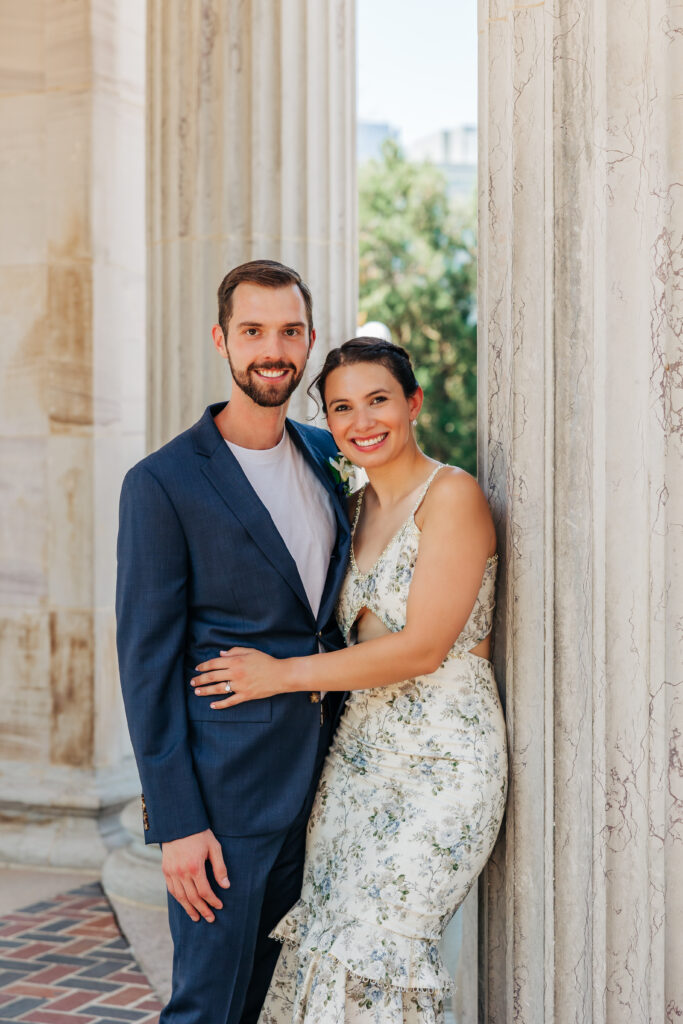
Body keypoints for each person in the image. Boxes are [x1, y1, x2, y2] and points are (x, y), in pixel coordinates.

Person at [191, 337, 509, 1024]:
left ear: (412, 402)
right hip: (355, 761)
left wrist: (278, 676)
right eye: (341, 407)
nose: (362, 421)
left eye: (378, 400)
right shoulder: (351, 507)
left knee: (384, 949)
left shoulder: (451, 496)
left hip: (442, 764)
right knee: (328, 942)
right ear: (327, 423)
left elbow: (421, 648)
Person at [115, 260, 352, 1024]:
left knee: (269, 1003)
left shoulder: (327, 455)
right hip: (225, 797)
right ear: (222, 339)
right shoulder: (162, 482)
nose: (271, 349)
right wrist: (177, 822)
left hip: (322, 782)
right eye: (253, 331)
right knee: (208, 1008)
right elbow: (145, 664)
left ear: (310, 341)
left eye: (288, 332)